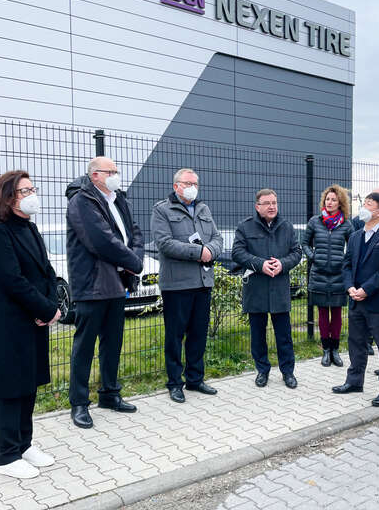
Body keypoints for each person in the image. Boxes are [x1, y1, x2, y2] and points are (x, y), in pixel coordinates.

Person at [0, 171, 61, 479]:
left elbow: (47, 270)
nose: (31, 194)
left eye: (32, 188)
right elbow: (11, 280)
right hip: (11, 323)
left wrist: (51, 305)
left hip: (35, 320)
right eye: (24, 190)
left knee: (28, 384)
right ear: (8, 196)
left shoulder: (30, 227)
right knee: (10, 388)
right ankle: (6, 455)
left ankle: (24, 445)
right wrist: (44, 308)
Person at [66, 157, 144, 428]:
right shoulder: (82, 200)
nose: (116, 175)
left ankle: (110, 394)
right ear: (95, 175)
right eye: (111, 171)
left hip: (116, 283)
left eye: (117, 171)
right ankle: (78, 403)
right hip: (92, 284)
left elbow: (135, 234)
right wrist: (134, 263)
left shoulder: (118, 199)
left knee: (112, 343)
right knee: (85, 346)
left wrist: (136, 257)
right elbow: (100, 240)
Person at [151, 168, 223, 403]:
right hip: (177, 285)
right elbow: (164, 244)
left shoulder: (203, 208)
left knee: (198, 333)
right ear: (176, 186)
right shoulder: (162, 210)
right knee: (175, 335)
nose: (192, 186)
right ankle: (174, 383)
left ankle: (195, 378)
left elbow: (217, 238)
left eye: (195, 183)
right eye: (187, 183)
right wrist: (198, 252)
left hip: (203, 282)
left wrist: (211, 250)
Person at [333, 192, 379, 407]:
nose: (363, 207)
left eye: (368, 204)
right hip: (356, 300)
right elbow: (347, 265)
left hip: (378, 302)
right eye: (363, 203)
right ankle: (354, 381)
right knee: (356, 344)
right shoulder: (355, 236)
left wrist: (366, 290)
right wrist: (350, 287)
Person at [232, 189, 302, 389]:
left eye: (274, 202)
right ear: (257, 206)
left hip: (279, 289)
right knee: (258, 335)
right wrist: (259, 264)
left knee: (284, 335)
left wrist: (283, 264)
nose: (272, 206)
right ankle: (262, 370)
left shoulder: (286, 226)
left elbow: (296, 252)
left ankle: (288, 372)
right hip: (256, 289)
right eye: (267, 203)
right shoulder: (245, 227)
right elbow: (237, 252)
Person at [302, 185, 353, 367]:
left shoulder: (347, 224)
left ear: (340, 203)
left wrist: (344, 260)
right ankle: (325, 351)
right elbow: (304, 243)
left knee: (337, 313)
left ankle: (335, 351)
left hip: (339, 275)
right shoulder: (315, 222)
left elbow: (353, 248)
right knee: (323, 312)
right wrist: (314, 256)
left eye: (333, 200)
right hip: (319, 274)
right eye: (327, 199)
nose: (329, 203)